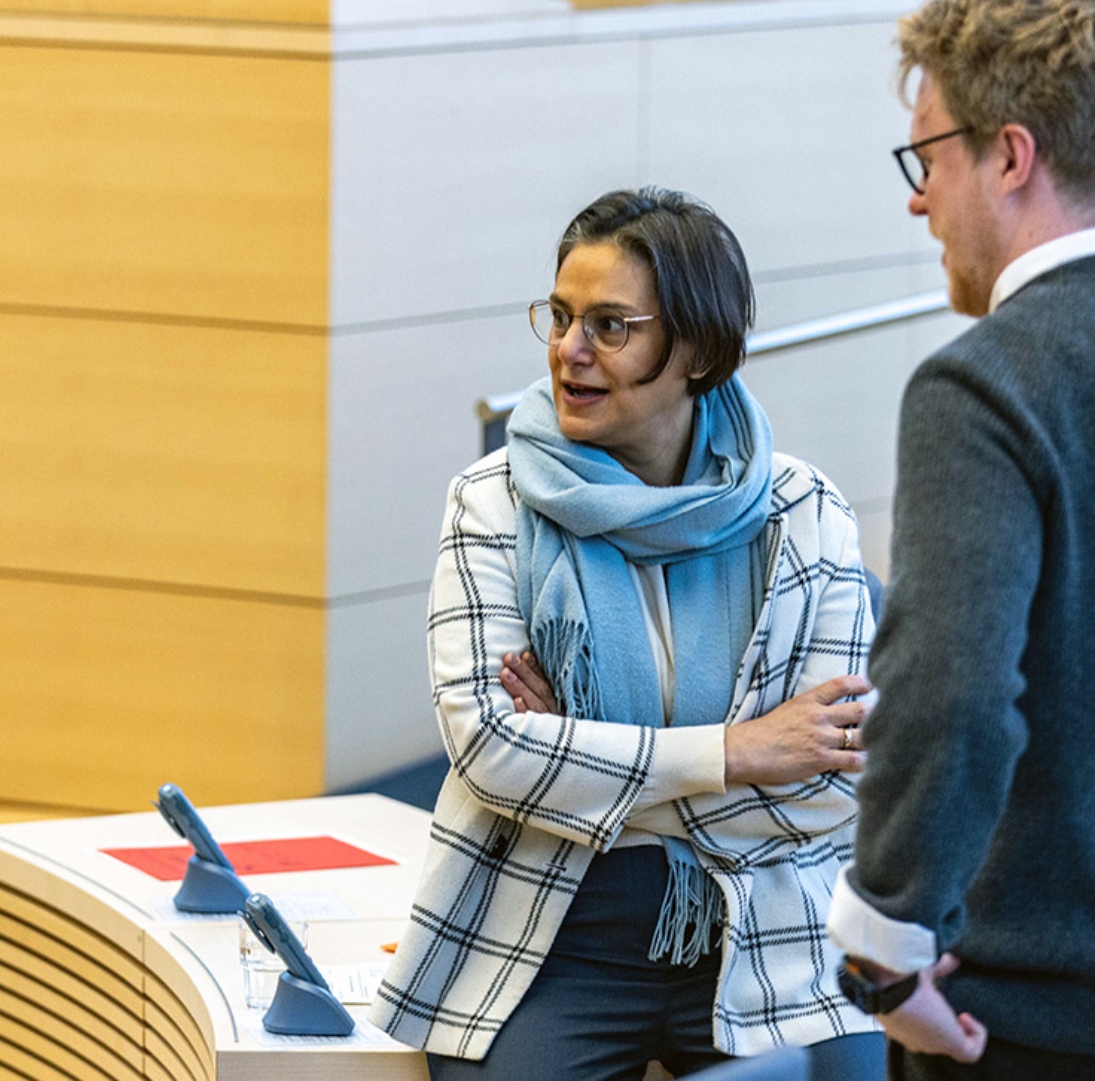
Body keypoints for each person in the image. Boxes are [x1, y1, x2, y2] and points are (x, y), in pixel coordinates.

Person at [370, 188, 884, 1079]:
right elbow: (492, 751)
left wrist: (578, 750)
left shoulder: (804, 512)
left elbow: (837, 776)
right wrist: (739, 749)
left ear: (695, 351)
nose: (570, 351)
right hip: (552, 928)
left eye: (611, 326)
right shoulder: (492, 503)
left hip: (765, 915)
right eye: (562, 316)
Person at [826, 1, 1095, 1076]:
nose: (917, 193)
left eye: (930, 154)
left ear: (1011, 156)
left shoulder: (983, 386)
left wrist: (883, 954)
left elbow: (951, 694)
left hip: (1026, 1021)